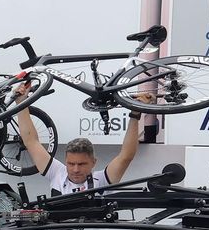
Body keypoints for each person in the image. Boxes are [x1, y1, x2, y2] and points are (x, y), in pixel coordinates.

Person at [16, 81, 146, 195]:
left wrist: (135, 114)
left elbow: (126, 155)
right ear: (66, 161)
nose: (75, 169)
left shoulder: (103, 180)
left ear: (93, 162)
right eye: (71, 164)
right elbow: (31, 141)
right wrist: (21, 103)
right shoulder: (57, 173)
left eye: (82, 164)